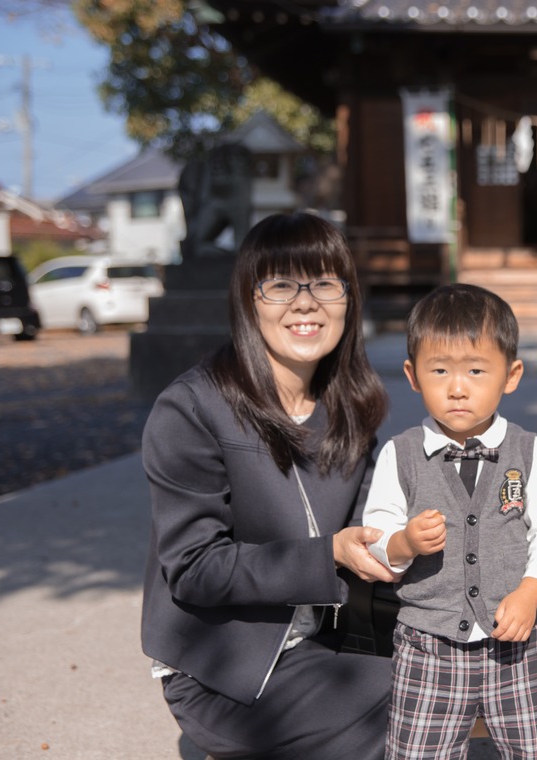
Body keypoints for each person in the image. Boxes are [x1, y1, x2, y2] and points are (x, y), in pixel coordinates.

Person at [140, 212, 396, 760]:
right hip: (224, 671)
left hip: (329, 640)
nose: (306, 303)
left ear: (348, 300)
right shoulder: (192, 408)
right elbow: (194, 568)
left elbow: (375, 530)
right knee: (408, 700)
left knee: (460, 669)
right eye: (281, 285)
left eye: (324, 283)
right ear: (248, 300)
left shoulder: (352, 408)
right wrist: (328, 554)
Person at [363, 283, 537, 759]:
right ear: (413, 376)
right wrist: (403, 543)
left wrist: (531, 592)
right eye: (439, 370)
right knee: (417, 751)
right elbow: (377, 533)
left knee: (531, 750)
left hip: (514, 645)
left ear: (511, 375)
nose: (457, 388)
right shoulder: (400, 455)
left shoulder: (529, 452)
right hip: (427, 645)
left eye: (476, 371)